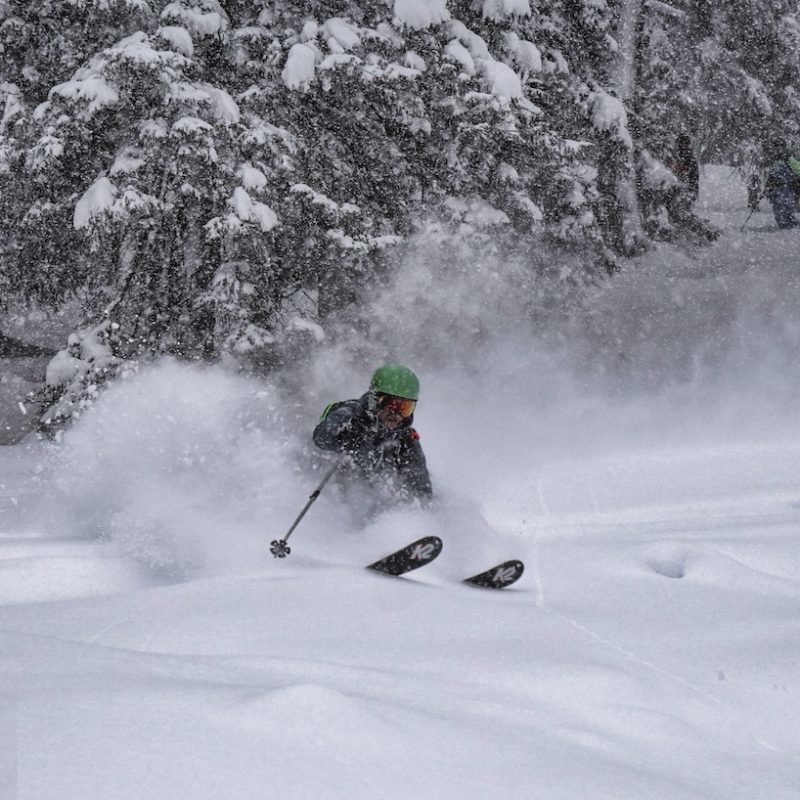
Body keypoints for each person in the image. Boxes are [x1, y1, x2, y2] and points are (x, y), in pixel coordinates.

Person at [313, 363, 433, 508]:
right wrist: (347, 432)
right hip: (334, 494)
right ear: (375, 399)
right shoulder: (351, 413)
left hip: (373, 500)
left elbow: (421, 488)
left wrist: (423, 511)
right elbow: (321, 438)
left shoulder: (404, 438)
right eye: (390, 404)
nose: (395, 414)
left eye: (405, 408)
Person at [765, 142, 799, 229]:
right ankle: (786, 227)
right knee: (778, 210)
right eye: (775, 148)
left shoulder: (789, 159)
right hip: (777, 190)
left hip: (788, 189)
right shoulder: (774, 160)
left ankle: (790, 227)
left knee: (786, 208)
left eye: (780, 148)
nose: (777, 150)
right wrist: (768, 186)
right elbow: (771, 176)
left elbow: (798, 171)